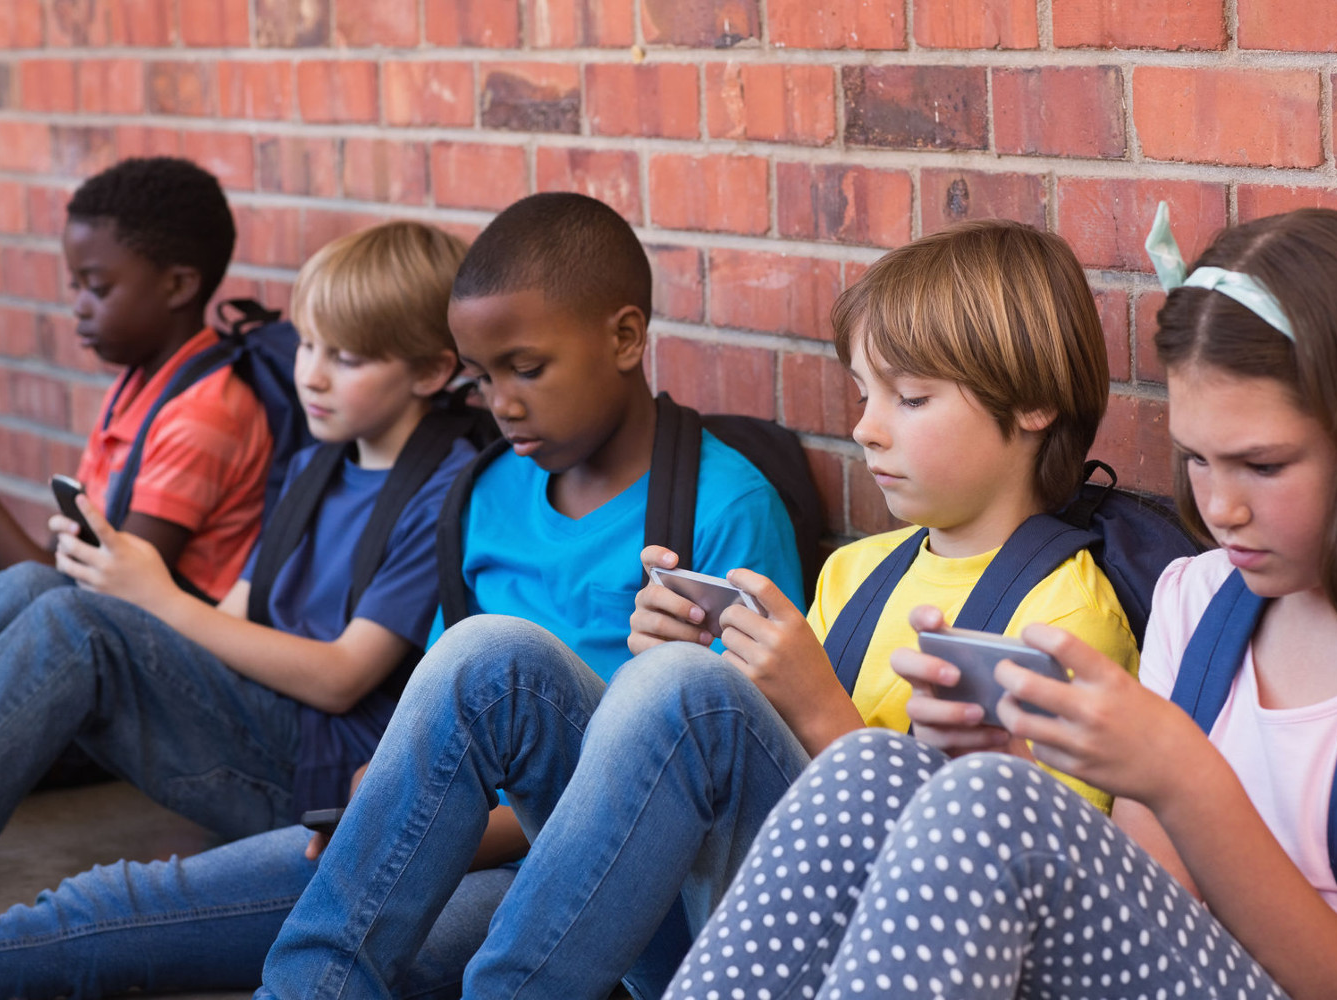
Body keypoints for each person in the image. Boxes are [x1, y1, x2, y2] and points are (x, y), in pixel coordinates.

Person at [0, 193, 804, 999]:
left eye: (527, 369)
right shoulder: (485, 491)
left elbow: (721, 779)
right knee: (126, 909)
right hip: (438, 825)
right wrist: (388, 796)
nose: (499, 403)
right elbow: (444, 705)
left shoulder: (722, 504)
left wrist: (410, 821)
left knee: (393, 952)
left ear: (623, 337)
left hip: (593, 866)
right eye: (483, 376)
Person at [255, 220, 1140, 1000]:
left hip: (863, 959)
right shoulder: (862, 569)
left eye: (908, 399)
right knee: (493, 656)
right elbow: (760, 786)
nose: (868, 428)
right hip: (725, 920)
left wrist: (802, 705)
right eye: (864, 395)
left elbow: (1008, 900)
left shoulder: (1064, 617)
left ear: (1033, 405)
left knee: (684, 690)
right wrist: (670, 674)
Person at [663, 206, 1337, 1000]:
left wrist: (1183, 777)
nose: (1220, 509)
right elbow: (1143, 910)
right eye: (1196, 459)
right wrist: (993, 770)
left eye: (1262, 465)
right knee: (874, 764)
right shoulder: (1197, 599)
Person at [0, 220, 476, 933]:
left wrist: (155, 599)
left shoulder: (446, 490)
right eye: (307, 344)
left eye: (349, 358)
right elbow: (238, 612)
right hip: (257, 718)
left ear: (430, 372)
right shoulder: (316, 463)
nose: (311, 374)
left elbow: (343, 677)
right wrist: (129, 585)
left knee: (76, 623)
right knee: (43, 589)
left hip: (320, 773)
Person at [0, 156, 268, 602]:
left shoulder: (204, 416)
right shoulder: (139, 387)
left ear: (179, 286)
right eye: (75, 286)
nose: (80, 306)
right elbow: (62, 569)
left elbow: (101, 607)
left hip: (161, 654)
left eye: (98, 289)